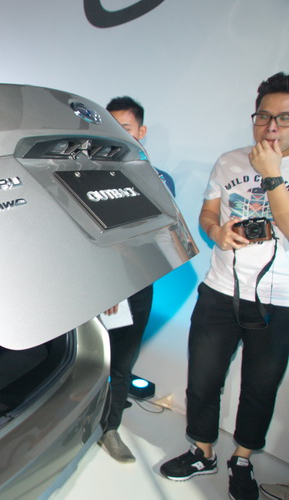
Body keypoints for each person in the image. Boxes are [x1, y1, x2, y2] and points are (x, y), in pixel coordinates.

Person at [159, 72, 289, 500]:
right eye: (264, 116)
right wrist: (218, 232)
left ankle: (243, 459)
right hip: (219, 290)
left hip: (279, 300)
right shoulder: (229, 161)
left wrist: (272, 175)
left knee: (259, 389)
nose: (271, 127)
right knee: (203, 379)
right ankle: (202, 451)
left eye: (284, 118)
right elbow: (207, 214)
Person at [97, 96, 175, 463]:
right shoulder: (84, 174)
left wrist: (120, 285)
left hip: (134, 286)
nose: (116, 133)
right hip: (92, 287)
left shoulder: (159, 180)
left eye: (124, 127)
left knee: (121, 364)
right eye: (110, 126)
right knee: (85, 361)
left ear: (140, 132)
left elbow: (153, 239)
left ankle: (109, 428)